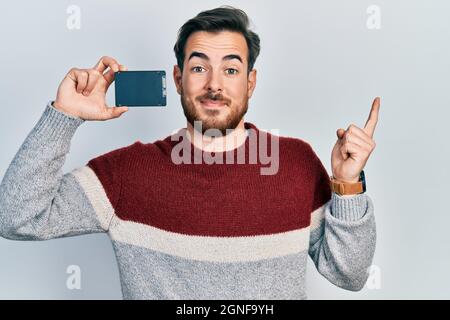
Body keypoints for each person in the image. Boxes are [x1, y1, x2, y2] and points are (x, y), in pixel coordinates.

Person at [0, 5, 379, 299]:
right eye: (199, 68)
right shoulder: (126, 173)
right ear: (179, 79)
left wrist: (348, 185)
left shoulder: (296, 164)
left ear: (251, 83)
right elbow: (18, 218)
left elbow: (348, 275)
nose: (214, 85)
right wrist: (63, 117)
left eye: (231, 71)